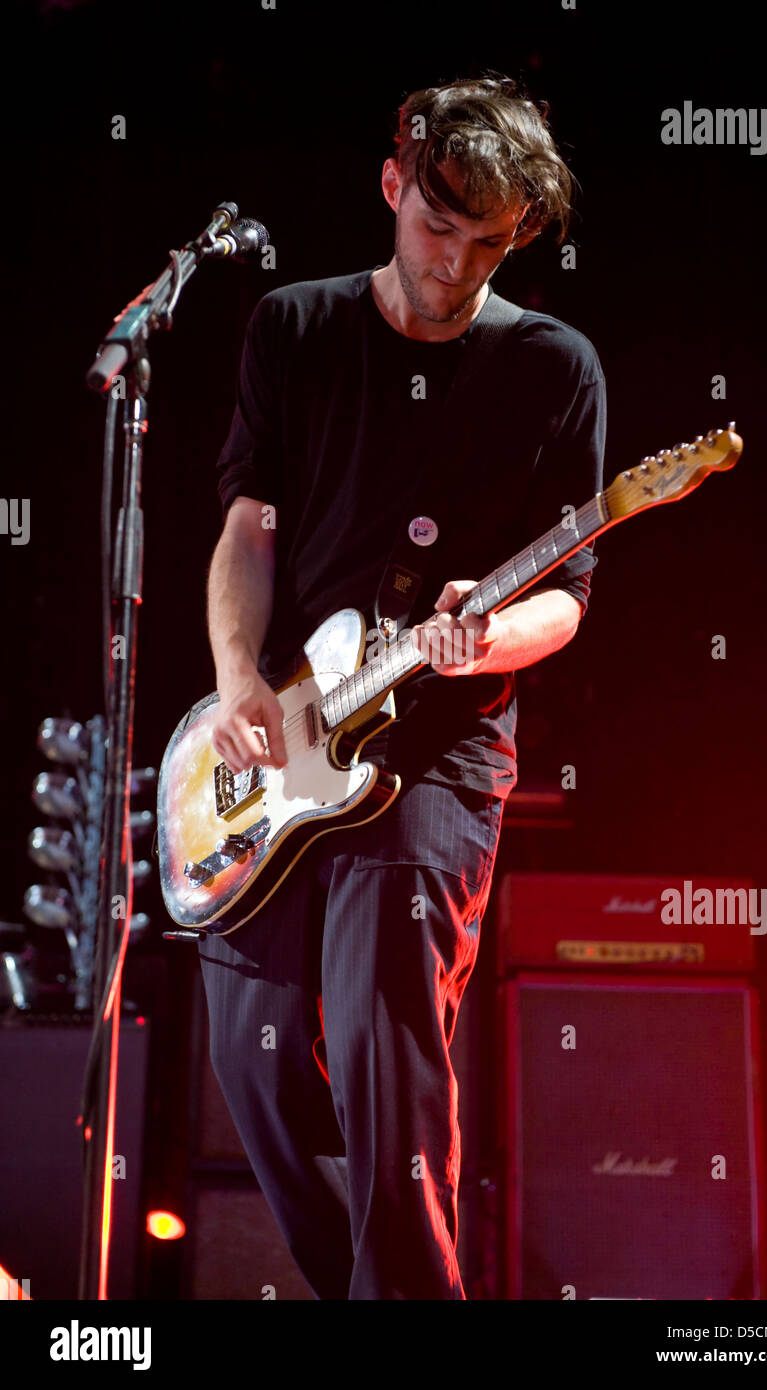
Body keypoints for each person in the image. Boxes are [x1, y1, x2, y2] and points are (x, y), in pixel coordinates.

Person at [198, 75, 606, 1300]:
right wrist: (233, 679)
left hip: (434, 757)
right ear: (393, 187)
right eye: (439, 226)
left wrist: (479, 640)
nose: (456, 262)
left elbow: (569, 593)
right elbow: (249, 528)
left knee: (384, 1056)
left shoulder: (552, 364)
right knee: (251, 1061)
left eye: (490, 241)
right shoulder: (297, 326)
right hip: (290, 740)